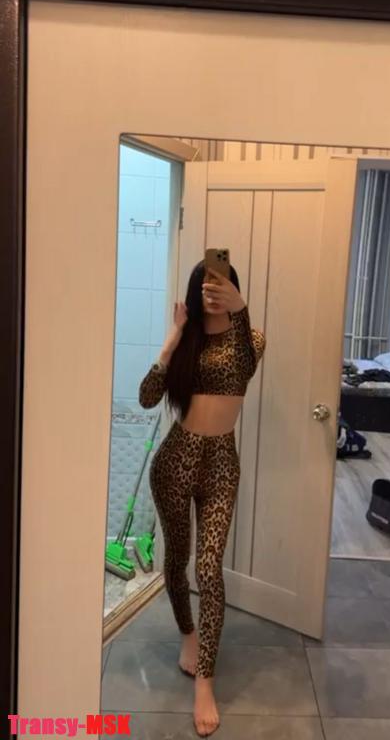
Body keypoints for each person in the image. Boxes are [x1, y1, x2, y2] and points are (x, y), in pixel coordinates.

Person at [138, 260, 265, 737]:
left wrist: (240, 310)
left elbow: (243, 367)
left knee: (209, 570)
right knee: (177, 560)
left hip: (221, 466)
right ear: (196, 291)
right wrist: (173, 338)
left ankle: (205, 683)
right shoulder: (188, 343)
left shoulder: (251, 340)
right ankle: (187, 635)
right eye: (206, 283)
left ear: (234, 288)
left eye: (222, 282)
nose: (214, 289)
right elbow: (147, 397)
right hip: (175, 462)